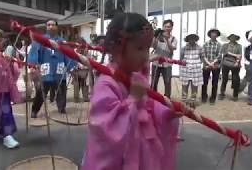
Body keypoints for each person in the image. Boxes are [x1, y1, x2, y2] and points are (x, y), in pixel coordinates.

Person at [81, 13, 180, 170]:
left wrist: (168, 113)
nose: (145, 55)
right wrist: (132, 99)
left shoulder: (137, 78)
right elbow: (105, 129)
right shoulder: (106, 83)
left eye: (147, 49)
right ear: (117, 48)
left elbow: (149, 107)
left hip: (144, 154)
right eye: (139, 48)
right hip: (121, 161)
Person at [28, 19, 76, 117]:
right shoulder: (41, 40)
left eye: (53, 25)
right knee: (41, 92)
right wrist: (32, 65)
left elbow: (68, 54)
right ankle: (34, 110)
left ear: (57, 27)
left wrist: (71, 67)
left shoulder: (62, 41)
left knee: (61, 90)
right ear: (46, 27)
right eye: (48, 25)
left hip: (59, 68)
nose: (51, 27)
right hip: (46, 69)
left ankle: (61, 108)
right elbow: (34, 51)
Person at [151, 19, 177, 98]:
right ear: (163, 27)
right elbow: (154, 46)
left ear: (172, 28)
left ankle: (167, 98)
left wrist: (167, 39)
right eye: (165, 26)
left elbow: (172, 49)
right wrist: (155, 36)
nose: (167, 28)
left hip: (167, 64)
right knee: (154, 82)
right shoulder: (158, 37)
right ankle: (154, 97)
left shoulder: (173, 39)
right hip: (156, 63)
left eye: (169, 27)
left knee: (168, 82)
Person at [180, 34, 204, 109]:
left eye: (193, 38)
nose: (192, 39)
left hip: (196, 69)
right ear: (188, 39)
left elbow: (202, 58)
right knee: (185, 85)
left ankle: (193, 102)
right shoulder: (183, 48)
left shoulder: (200, 48)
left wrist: (197, 63)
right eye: (190, 38)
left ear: (195, 39)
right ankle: (184, 101)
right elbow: (181, 58)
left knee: (194, 85)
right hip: (186, 69)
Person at [218, 34, 242, 101]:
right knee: (224, 79)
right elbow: (224, 53)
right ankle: (222, 93)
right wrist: (234, 55)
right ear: (229, 38)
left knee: (236, 80)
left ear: (236, 38)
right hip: (225, 63)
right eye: (232, 37)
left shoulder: (239, 46)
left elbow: (240, 55)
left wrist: (237, 62)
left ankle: (235, 95)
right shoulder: (225, 45)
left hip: (235, 64)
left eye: (234, 37)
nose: (233, 38)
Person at [201, 29, 222, 105]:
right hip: (206, 65)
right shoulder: (205, 44)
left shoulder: (219, 45)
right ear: (210, 34)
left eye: (215, 33)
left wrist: (212, 63)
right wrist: (208, 63)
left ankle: (213, 97)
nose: (214, 34)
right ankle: (204, 96)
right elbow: (203, 55)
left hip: (216, 65)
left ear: (217, 35)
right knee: (204, 82)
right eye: (213, 33)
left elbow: (219, 56)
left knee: (215, 82)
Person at [72, 38, 90, 102]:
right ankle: (76, 98)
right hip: (76, 69)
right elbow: (72, 60)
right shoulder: (74, 51)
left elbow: (88, 59)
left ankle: (85, 97)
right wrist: (77, 64)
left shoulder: (86, 51)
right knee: (76, 85)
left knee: (85, 85)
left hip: (84, 69)